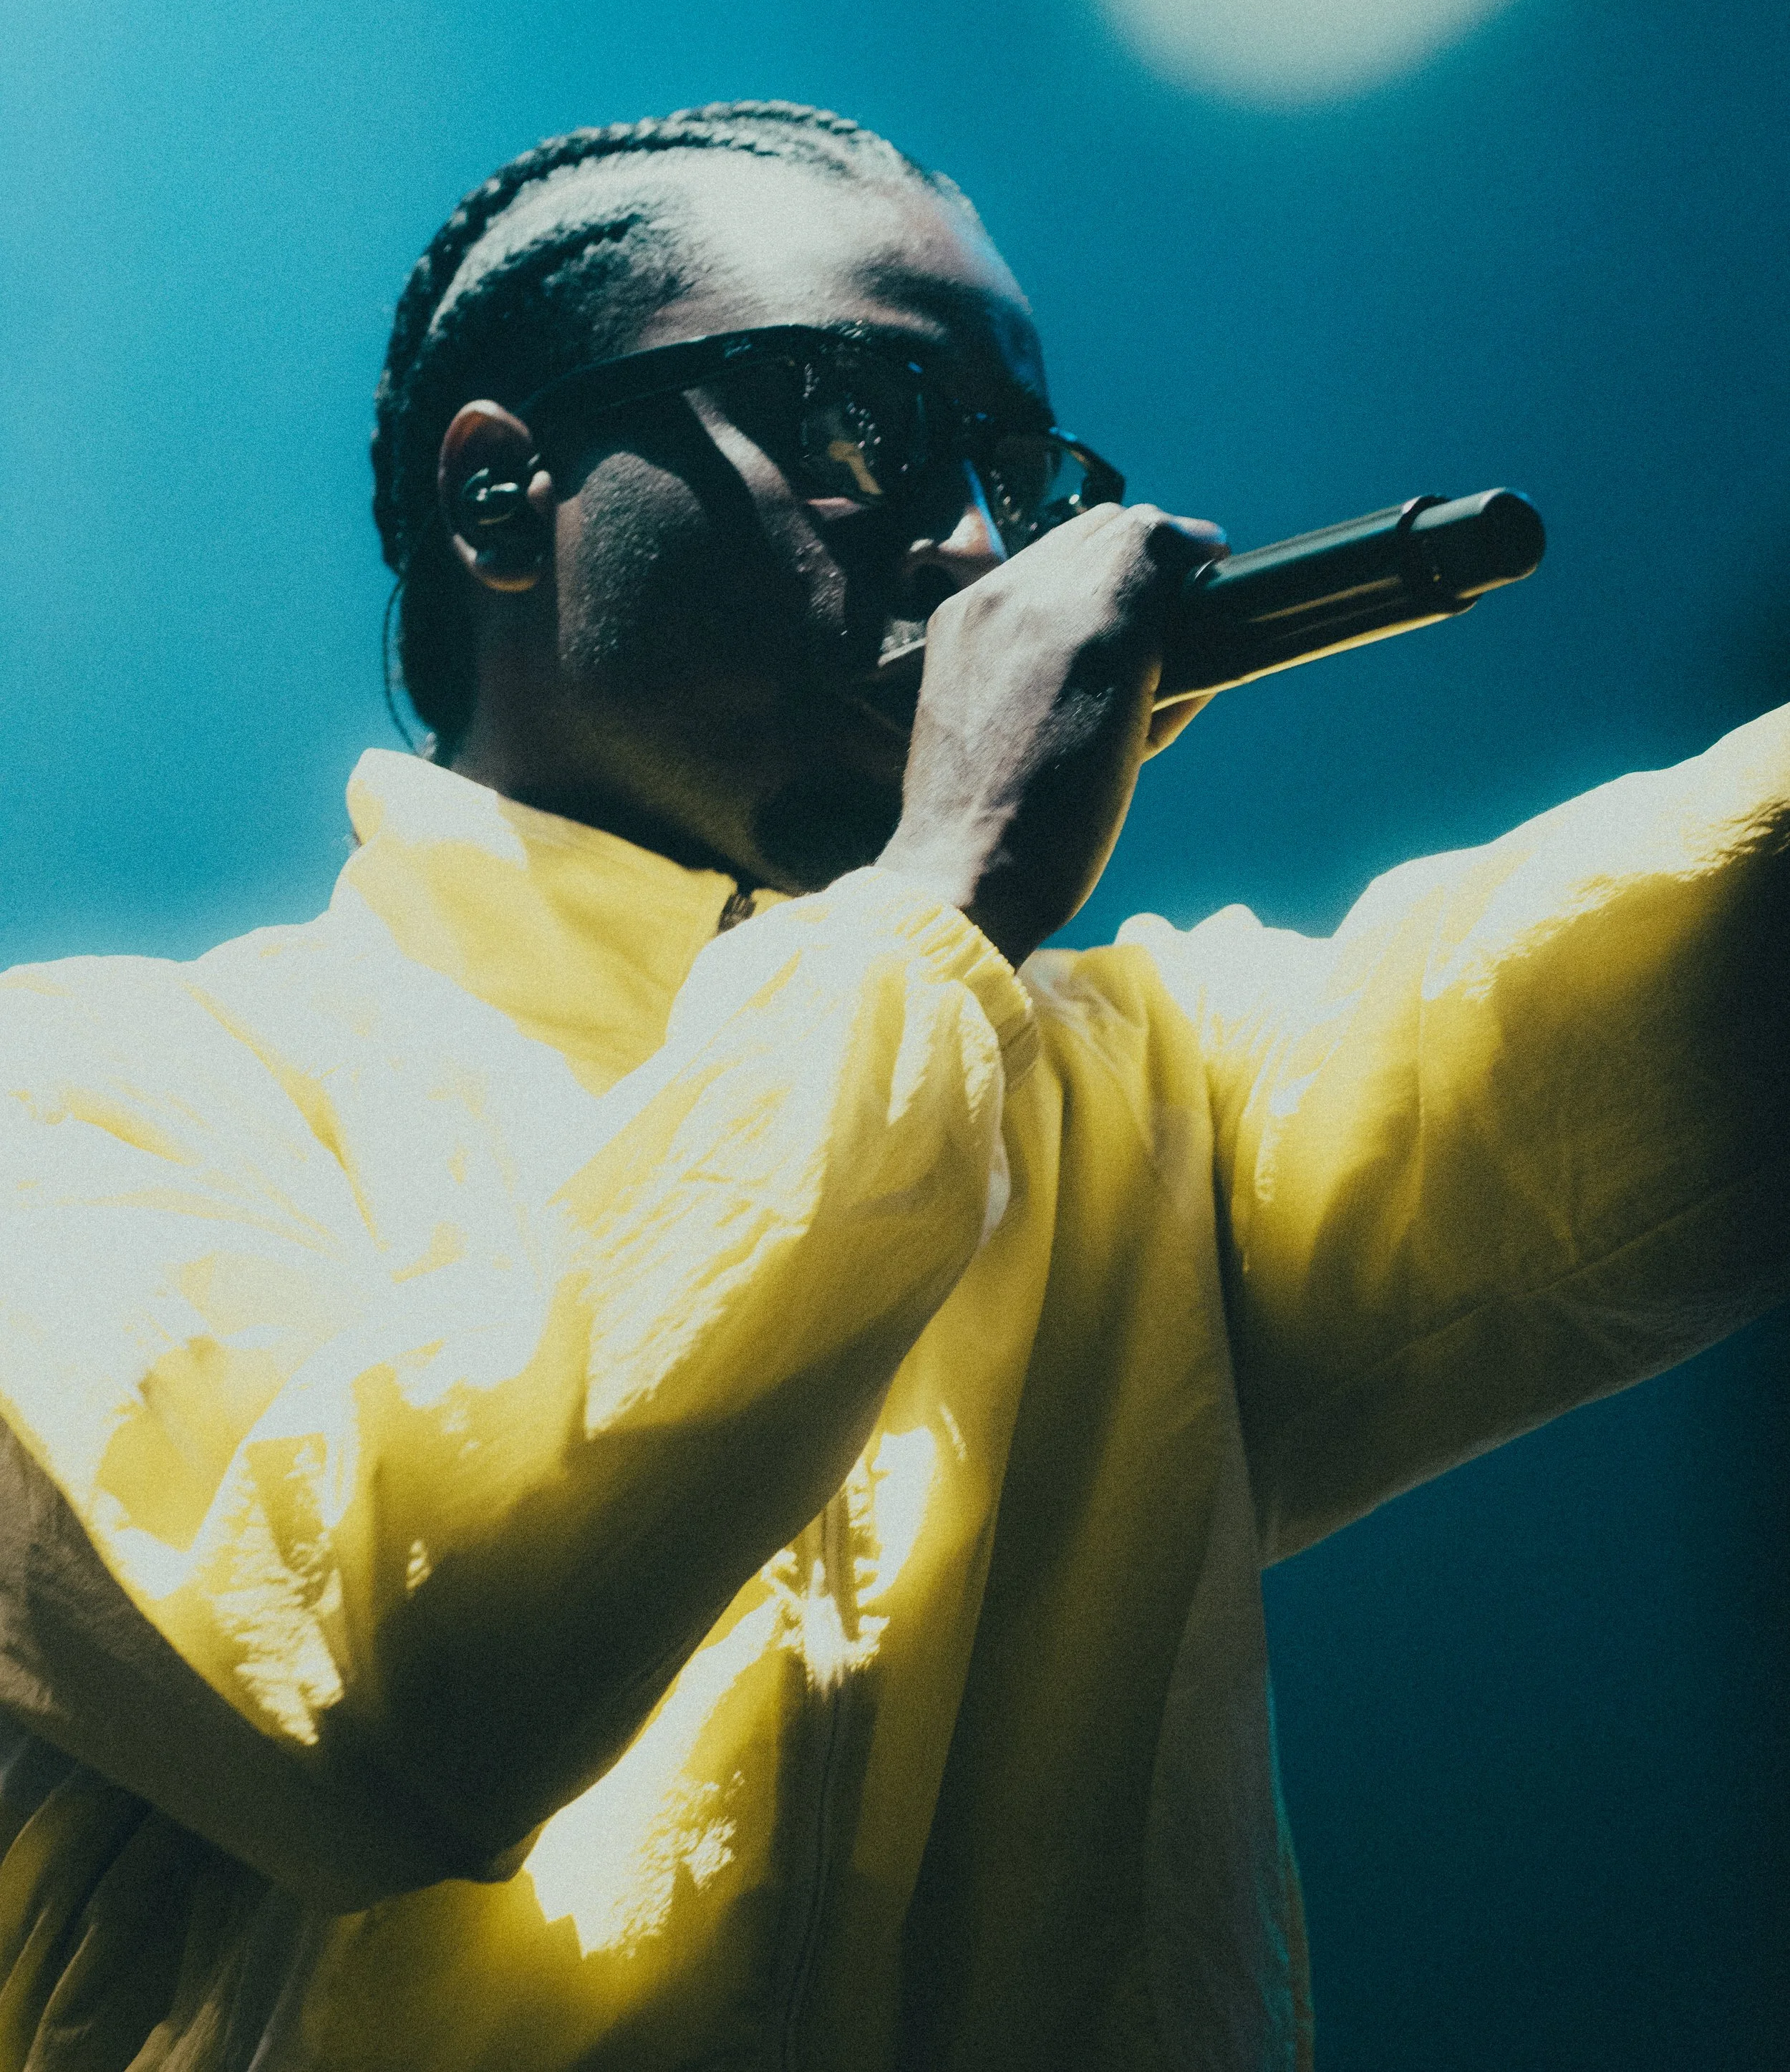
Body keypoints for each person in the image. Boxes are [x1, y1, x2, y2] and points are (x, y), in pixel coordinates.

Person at [0, 100, 1782, 2072]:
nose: (970, 544)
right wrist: (939, 896)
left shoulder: (1129, 1107)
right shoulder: (94, 1096)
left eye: (1013, 473)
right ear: (503, 499)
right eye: (859, 425)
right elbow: (375, 1681)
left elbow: (1696, 973)